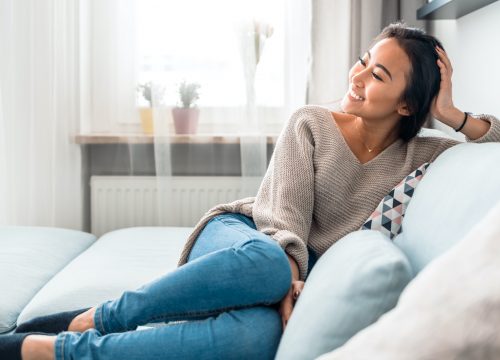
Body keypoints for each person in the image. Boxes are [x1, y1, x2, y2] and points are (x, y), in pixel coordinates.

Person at [2, 22, 500, 360]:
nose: (357, 77)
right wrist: (288, 275)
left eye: (378, 75)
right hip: (244, 237)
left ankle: (54, 350)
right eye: (363, 61)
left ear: (409, 106)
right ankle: (97, 318)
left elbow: (495, 141)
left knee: (257, 338)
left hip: (284, 274)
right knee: (265, 263)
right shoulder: (311, 122)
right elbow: (280, 220)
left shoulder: (423, 155)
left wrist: (452, 113)